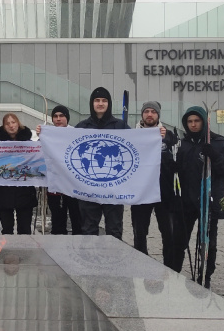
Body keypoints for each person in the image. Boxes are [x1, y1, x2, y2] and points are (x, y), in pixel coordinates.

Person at [172, 105, 224, 287]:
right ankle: (173, 273)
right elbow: (177, 169)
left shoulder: (218, 142)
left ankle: (205, 277)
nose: (193, 125)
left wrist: (216, 156)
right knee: (178, 241)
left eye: (197, 121)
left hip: (207, 201)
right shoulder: (183, 144)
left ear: (204, 122)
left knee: (207, 242)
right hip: (186, 201)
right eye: (189, 121)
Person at [75, 87, 130, 238]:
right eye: (97, 100)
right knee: (88, 229)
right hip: (88, 189)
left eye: (104, 100)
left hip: (113, 189)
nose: (100, 103)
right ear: (92, 103)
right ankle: (90, 260)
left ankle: (114, 260)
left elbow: (138, 146)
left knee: (114, 230)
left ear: (109, 103)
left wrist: (158, 135)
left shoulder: (121, 126)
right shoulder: (81, 127)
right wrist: (45, 135)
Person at [130, 101, 179, 266]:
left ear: (158, 115)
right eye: (146, 112)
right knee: (139, 232)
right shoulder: (133, 134)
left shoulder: (168, 135)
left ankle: (170, 267)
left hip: (164, 193)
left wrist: (169, 138)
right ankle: (141, 264)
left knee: (168, 233)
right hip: (141, 192)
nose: (149, 114)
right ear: (142, 115)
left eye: (153, 112)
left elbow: (179, 154)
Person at [37, 105, 81, 234]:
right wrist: (41, 136)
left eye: (61, 116)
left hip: (73, 184)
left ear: (67, 118)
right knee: (57, 219)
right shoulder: (48, 135)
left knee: (76, 218)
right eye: (55, 116)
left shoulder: (75, 133)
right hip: (55, 185)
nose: (58, 119)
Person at [0, 113, 38, 235]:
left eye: (13, 122)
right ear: (3, 126)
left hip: (24, 192)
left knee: (24, 229)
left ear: (18, 123)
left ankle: (24, 253)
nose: (11, 126)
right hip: (4, 193)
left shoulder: (29, 144)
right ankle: (7, 253)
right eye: (7, 123)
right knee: (7, 230)